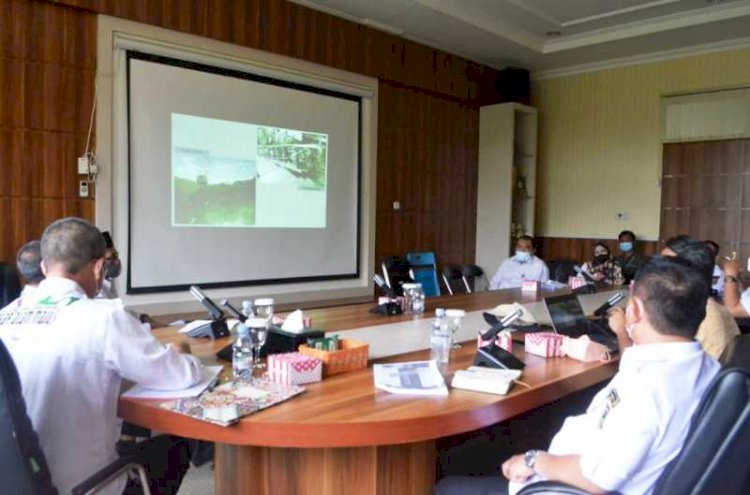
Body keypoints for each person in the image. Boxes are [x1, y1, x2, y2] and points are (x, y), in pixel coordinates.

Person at [435, 256, 720, 495]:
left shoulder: (649, 389)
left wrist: (534, 460)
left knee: (447, 486)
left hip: (565, 486)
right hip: (576, 465)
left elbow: (598, 479)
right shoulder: (704, 367)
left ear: (633, 310)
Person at [0, 217, 202, 495]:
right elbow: (180, 376)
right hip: (88, 487)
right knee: (176, 446)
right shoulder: (103, 317)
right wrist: (182, 353)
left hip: (17, 483)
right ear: (98, 268)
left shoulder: (4, 316)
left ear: (45, 267)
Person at [609, 235, 739, 360]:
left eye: (666, 264)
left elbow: (641, 372)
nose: (656, 269)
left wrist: (622, 332)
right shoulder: (701, 305)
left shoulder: (690, 314)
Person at [97, 231, 121, 299]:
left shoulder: (109, 279)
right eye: (109, 259)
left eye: (116, 256)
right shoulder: (94, 287)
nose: (116, 262)